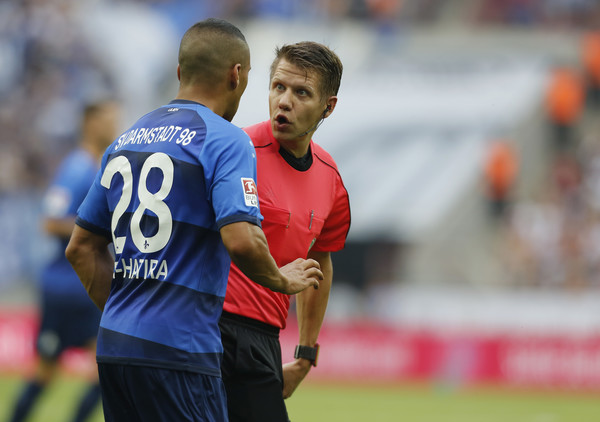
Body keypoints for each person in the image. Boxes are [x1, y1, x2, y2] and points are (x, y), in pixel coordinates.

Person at [65, 19, 322, 422]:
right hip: (181, 352)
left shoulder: (125, 141)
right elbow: (242, 239)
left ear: (180, 72)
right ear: (236, 75)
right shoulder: (225, 139)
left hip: (115, 350)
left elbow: (80, 248)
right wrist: (280, 279)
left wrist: (127, 316)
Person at [219, 41, 351, 422]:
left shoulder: (330, 179)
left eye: (301, 93)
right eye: (278, 87)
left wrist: (306, 354)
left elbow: (319, 262)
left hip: (261, 342)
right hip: (208, 328)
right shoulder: (235, 149)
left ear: (328, 106)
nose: (284, 101)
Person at [9, 100, 119, 422]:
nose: (115, 125)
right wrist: (96, 230)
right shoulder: (76, 168)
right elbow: (50, 221)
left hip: (87, 285)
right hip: (64, 288)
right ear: (90, 123)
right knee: (47, 371)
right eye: (109, 119)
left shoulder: (99, 167)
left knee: (108, 367)